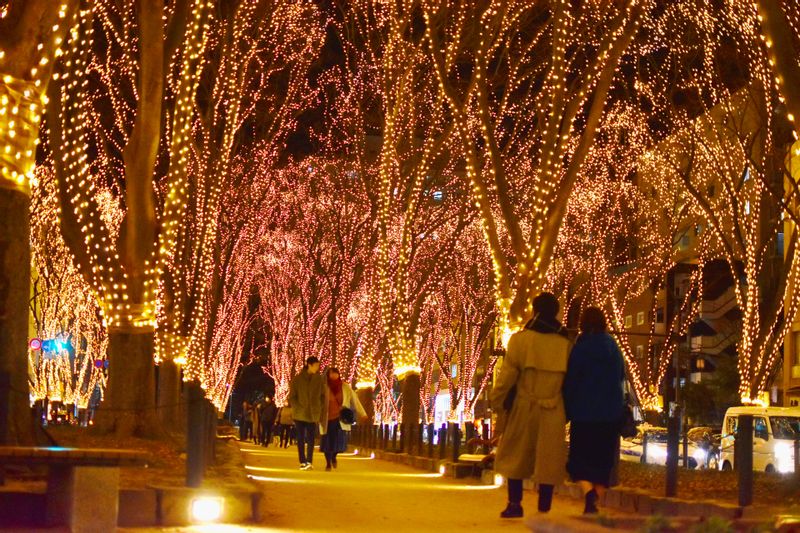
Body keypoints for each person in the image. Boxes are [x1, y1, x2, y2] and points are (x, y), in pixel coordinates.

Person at [491, 292, 571, 518]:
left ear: (534, 311)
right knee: (548, 459)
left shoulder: (519, 340)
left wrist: (496, 400)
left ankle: (514, 504)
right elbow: (570, 382)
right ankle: (544, 508)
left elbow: (507, 376)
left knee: (515, 455)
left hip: (524, 405)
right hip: (553, 407)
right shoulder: (565, 344)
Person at [562, 306, 625, 514]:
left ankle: (588, 493)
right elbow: (620, 379)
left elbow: (571, 381)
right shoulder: (613, 347)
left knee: (579, 462)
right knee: (603, 464)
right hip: (609, 415)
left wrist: (567, 409)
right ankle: (595, 497)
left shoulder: (580, 348)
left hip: (584, 414)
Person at [319, 367, 367, 471]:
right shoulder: (324, 387)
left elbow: (355, 400)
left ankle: (334, 457)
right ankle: (328, 463)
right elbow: (318, 401)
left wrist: (362, 413)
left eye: (335, 373)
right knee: (327, 442)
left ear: (338, 374)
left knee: (338, 441)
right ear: (328, 375)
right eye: (331, 374)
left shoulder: (345, 387)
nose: (333, 375)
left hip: (340, 419)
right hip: (326, 418)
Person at [288, 356, 325, 470]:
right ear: (309, 365)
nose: (318, 368)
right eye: (316, 365)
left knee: (311, 438)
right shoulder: (298, 379)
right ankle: (302, 461)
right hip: (300, 413)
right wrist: (297, 406)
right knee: (300, 438)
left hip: (313, 413)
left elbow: (323, 396)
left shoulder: (319, 379)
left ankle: (309, 461)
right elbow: (292, 396)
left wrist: (320, 406)